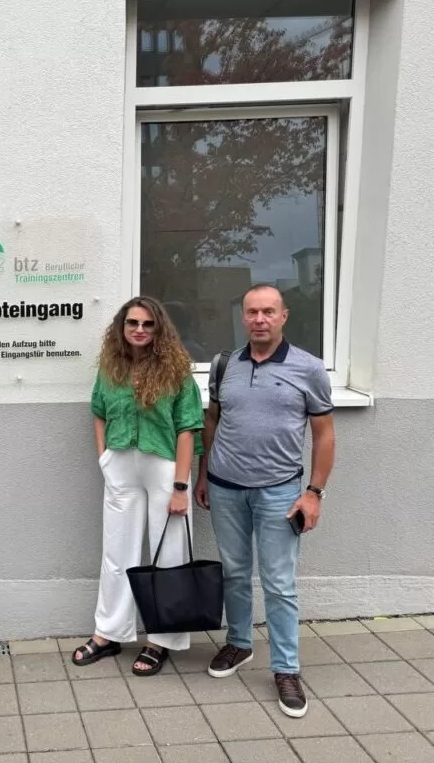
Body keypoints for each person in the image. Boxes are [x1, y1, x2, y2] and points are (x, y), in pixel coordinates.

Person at [195, 284, 335, 718]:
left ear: (283, 316)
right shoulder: (225, 366)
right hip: (224, 487)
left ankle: (286, 669)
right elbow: (212, 420)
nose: (260, 319)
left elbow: (324, 434)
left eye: (268, 312)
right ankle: (239, 643)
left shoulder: (309, 368)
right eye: (252, 312)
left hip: (280, 492)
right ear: (243, 317)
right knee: (235, 572)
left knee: (279, 583)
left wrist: (314, 493)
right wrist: (203, 474)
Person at [72, 296, 203, 676]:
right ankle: (109, 632)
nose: (140, 330)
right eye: (133, 323)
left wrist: (181, 486)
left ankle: (161, 639)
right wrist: (104, 457)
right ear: (122, 327)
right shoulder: (110, 368)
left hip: (164, 467)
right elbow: (98, 412)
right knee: (116, 552)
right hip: (120, 465)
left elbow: (188, 427)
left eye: (147, 324)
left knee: (170, 554)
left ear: (158, 328)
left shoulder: (176, 371)